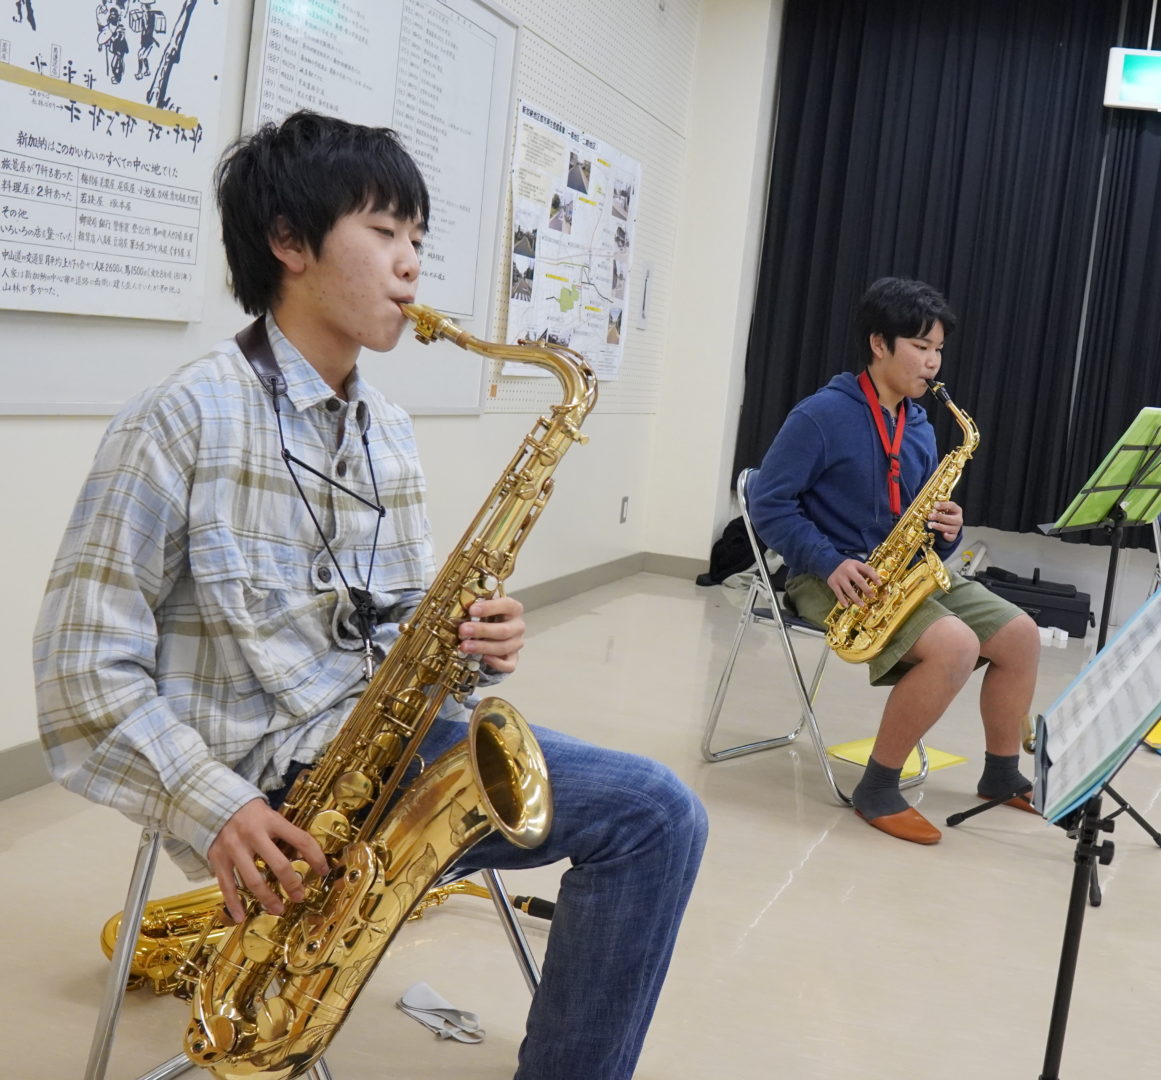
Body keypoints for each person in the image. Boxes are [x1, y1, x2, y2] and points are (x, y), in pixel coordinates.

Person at [34, 111, 706, 1079]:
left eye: (418, 238)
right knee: (656, 813)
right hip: (265, 787)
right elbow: (79, 670)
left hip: (385, 748)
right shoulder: (182, 418)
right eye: (385, 232)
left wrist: (471, 644)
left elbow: (393, 633)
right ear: (289, 242)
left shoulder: (385, 429)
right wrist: (213, 806)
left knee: (654, 814)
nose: (411, 264)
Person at [749, 277, 1042, 845]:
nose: (933, 363)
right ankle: (878, 787)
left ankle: (1002, 774)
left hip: (902, 570)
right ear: (879, 343)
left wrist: (948, 531)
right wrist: (828, 561)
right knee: (955, 645)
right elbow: (769, 503)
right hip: (830, 577)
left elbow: (920, 526)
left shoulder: (920, 426)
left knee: (1021, 636)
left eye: (939, 350)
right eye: (920, 346)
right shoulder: (821, 416)